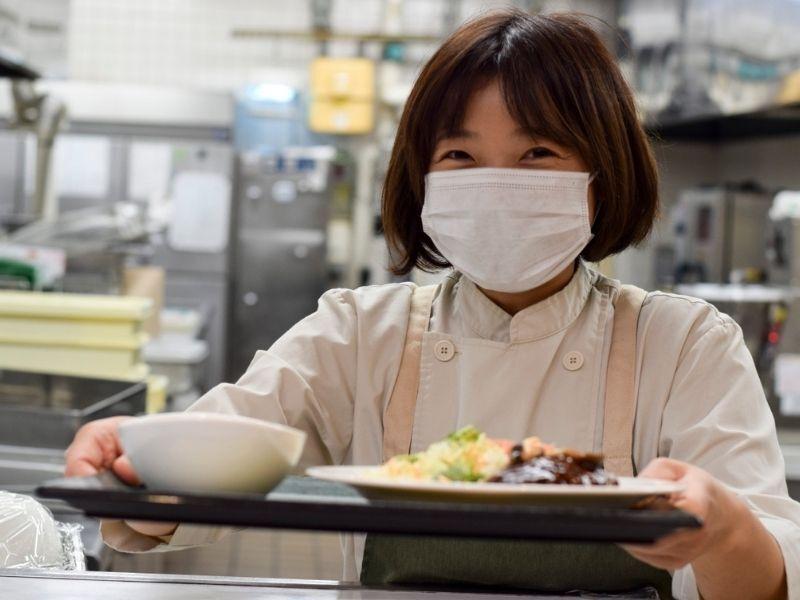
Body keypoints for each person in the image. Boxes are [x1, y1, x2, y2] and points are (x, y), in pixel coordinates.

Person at [65, 9, 798, 600]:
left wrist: (725, 533)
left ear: (602, 179)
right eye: (460, 156)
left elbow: (768, 580)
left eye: (538, 153)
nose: (496, 183)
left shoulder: (685, 344)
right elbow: (208, 461)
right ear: (423, 183)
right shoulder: (360, 334)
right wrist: (135, 460)